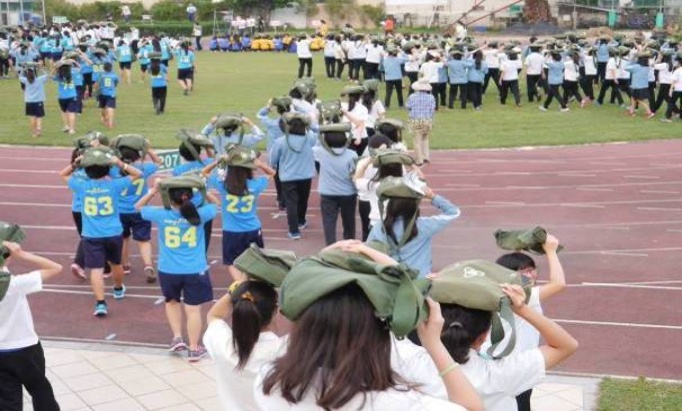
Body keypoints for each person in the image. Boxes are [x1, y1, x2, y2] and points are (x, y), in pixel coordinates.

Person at [254, 242, 478, 410]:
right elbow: (471, 408)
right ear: (380, 331)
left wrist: (324, 259)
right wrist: (434, 344)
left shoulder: (270, 383)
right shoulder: (402, 404)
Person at [433, 281, 578, 411]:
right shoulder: (500, 373)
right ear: (484, 337)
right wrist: (522, 309)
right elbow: (566, 346)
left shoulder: (414, 361)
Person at [137, 178, 219, 361]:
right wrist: (203, 189)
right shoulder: (201, 213)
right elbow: (217, 204)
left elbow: (138, 207)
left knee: (171, 302)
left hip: (168, 269)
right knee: (193, 309)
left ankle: (177, 338)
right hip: (195, 269)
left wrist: (153, 191)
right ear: (189, 196)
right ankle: (193, 348)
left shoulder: (161, 215)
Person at [60, 151, 142, 317]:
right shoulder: (114, 185)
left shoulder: (81, 186)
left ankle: (100, 303)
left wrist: (76, 163)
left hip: (91, 234)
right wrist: (119, 163)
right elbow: (138, 173)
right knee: (116, 263)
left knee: (96, 269)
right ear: (106, 170)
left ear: (87, 171)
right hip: (113, 232)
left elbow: (62, 173)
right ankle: (118, 289)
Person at [492, 234, 566, 411]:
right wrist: (551, 251)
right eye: (523, 271)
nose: (531, 274)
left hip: (511, 366)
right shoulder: (520, 296)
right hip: (513, 367)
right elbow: (559, 283)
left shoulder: (499, 292)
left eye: (532, 269)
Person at [204, 279, 286, 411]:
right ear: (275, 311)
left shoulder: (222, 343)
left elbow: (214, 315)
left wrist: (237, 287)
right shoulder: (283, 349)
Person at [0, 240, 62, 411]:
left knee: (7, 399)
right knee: (40, 390)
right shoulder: (13, 284)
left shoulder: (11, 282)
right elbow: (55, 268)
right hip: (25, 346)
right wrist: (22, 254)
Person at [201, 153, 275, 282]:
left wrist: (218, 161)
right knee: (255, 260)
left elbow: (204, 172)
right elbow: (272, 173)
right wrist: (260, 164)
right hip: (253, 229)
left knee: (232, 262)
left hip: (232, 230)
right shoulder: (256, 184)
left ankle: (241, 285)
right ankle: (249, 283)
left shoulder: (223, 185)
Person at [367, 180, 460, 277]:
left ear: (390, 206)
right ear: (414, 207)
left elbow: (370, 252)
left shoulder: (379, 227)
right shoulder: (424, 225)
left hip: (391, 279)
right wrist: (432, 196)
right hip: (420, 280)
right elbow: (454, 212)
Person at [117, 143, 163, 283]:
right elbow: (159, 162)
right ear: (137, 155)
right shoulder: (143, 168)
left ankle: (125, 265)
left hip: (120, 210)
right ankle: (148, 265)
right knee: (144, 240)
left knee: (124, 238)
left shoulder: (114, 170)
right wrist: (148, 148)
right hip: (140, 209)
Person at [269, 114, 316, 240]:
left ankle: (294, 231)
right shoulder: (309, 137)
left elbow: (273, 159)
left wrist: (272, 166)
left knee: (291, 203)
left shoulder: (281, 141)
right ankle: (301, 221)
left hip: (288, 176)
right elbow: (315, 130)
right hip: (306, 175)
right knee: (303, 200)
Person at [313, 124, 358, 245]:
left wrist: (322, 134)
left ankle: (330, 246)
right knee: (349, 222)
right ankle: (349, 244)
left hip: (328, 193)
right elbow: (355, 174)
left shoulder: (320, 152)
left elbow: (315, 143)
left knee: (329, 222)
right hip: (348, 193)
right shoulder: (352, 154)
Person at [406, 79, 436, 166]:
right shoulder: (431, 97)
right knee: (425, 138)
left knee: (417, 140)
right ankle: (426, 156)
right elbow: (432, 110)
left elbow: (408, 106)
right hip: (427, 120)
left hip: (416, 120)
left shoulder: (412, 96)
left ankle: (419, 160)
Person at [18, 66, 48, 138]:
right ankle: (39, 129)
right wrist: (41, 68)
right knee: (39, 116)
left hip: (29, 102)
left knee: (32, 117)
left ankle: (34, 133)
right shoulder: (39, 79)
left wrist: (23, 68)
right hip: (38, 101)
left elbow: (19, 76)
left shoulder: (25, 80)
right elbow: (47, 75)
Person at [341, 85, 369, 156]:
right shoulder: (363, 108)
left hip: (350, 138)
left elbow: (360, 123)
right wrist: (359, 137)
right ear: (360, 97)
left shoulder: (343, 107)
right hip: (360, 138)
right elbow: (361, 124)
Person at [625, 52, 655, 118]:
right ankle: (631, 112)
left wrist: (632, 58)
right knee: (633, 99)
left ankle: (649, 113)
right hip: (642, 86)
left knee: (640, 100)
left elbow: (626, 67)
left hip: (637, 86)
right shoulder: (647, 67)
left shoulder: (637, 67)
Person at [52, 62, 79, 134]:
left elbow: (50, 76)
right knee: (71, 112)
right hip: (72, 96)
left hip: (62, 97)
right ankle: (72, 129)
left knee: (63, 111)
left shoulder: (59, 76)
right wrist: (73, 62)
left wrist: (55, 68)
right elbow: (79, 68)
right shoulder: (73, 73)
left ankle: (66, 126)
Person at [98, 62, 119, 128]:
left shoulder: (101, 75)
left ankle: (104, 118)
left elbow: (98, 83)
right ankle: (110, 124)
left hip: (102, 93)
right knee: (110, 108)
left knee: (103, 107)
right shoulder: (114, 75)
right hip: (111, 94)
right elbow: (116, 82)